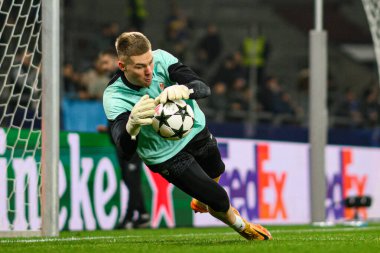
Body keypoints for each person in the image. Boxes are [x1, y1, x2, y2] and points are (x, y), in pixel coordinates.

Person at [103, 32, 272, 240]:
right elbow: (125, 149)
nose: (149, 71)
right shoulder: (114, 96)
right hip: (166, 155)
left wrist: (185, 90)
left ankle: (201, 200)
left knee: (217, 169)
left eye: (150, 63)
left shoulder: (162, 59)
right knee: (218, 198)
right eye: (139, 67)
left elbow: (203, 87)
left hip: (194, 130)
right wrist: (132, 126)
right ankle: (243, 228)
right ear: (122, 66)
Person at [98, 49, 150, 229]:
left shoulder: (126, 81)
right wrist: (109, 128)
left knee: (132, 178)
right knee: (129, 179)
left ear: (117, 61)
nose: (103, 66)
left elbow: (132, 111)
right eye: (101, 63)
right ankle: (142, 214)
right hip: (121, 140)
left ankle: (129, 217)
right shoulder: (114, 83)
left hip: (132, 139)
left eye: (106, 62)